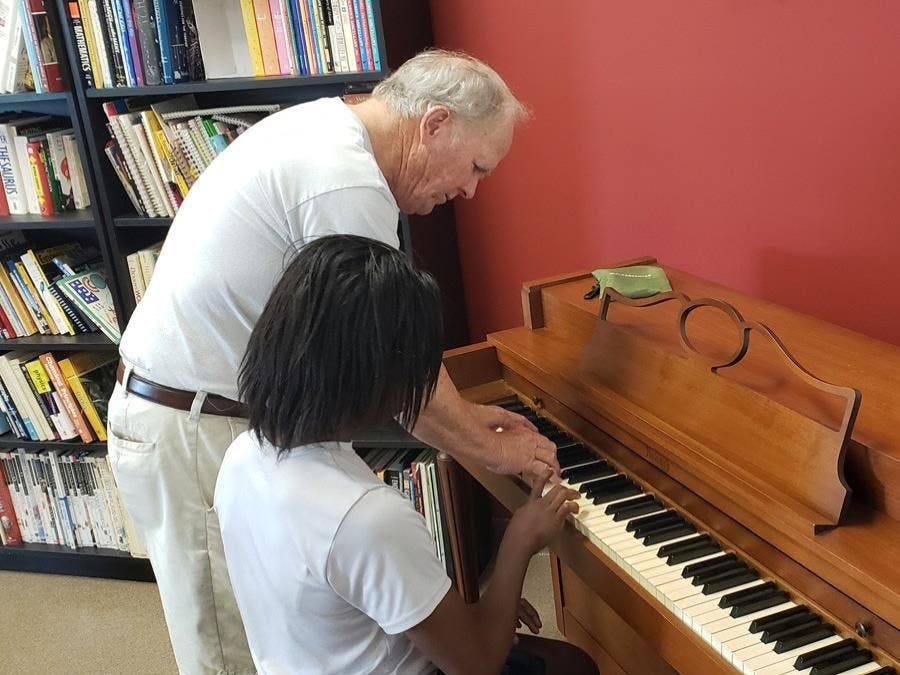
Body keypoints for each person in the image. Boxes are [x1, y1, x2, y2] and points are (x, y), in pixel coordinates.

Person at [107, 50, 559, 675]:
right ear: (434, 124)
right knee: (228, 654)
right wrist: (490, 451)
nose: (470, 190)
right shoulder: (346, 183)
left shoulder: (331, 126)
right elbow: (390, 356)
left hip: (223, 418)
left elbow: (397, 359)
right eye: (476, 166)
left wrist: (466, 419)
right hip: (195, 426)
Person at [215, 234, 598, 675]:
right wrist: (519, 540)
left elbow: (346, 596)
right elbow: (477, 665)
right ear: (374, 374)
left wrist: (477, 609)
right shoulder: (365, 516)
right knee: (575, 666)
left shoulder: (242, 456)